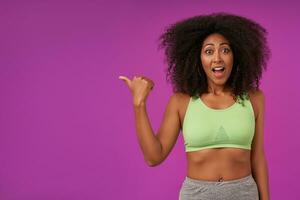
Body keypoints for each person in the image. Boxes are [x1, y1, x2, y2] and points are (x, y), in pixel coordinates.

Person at [119, 12, 270, 200]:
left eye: (225, 50)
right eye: (209, 51)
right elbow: (153, 157)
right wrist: (139, 104)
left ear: (236, 55)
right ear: (197, 59)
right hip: (197, 195)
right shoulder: (181, 102)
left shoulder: (254, 99)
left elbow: (257, 158)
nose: (217, 59)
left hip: (244, 193)